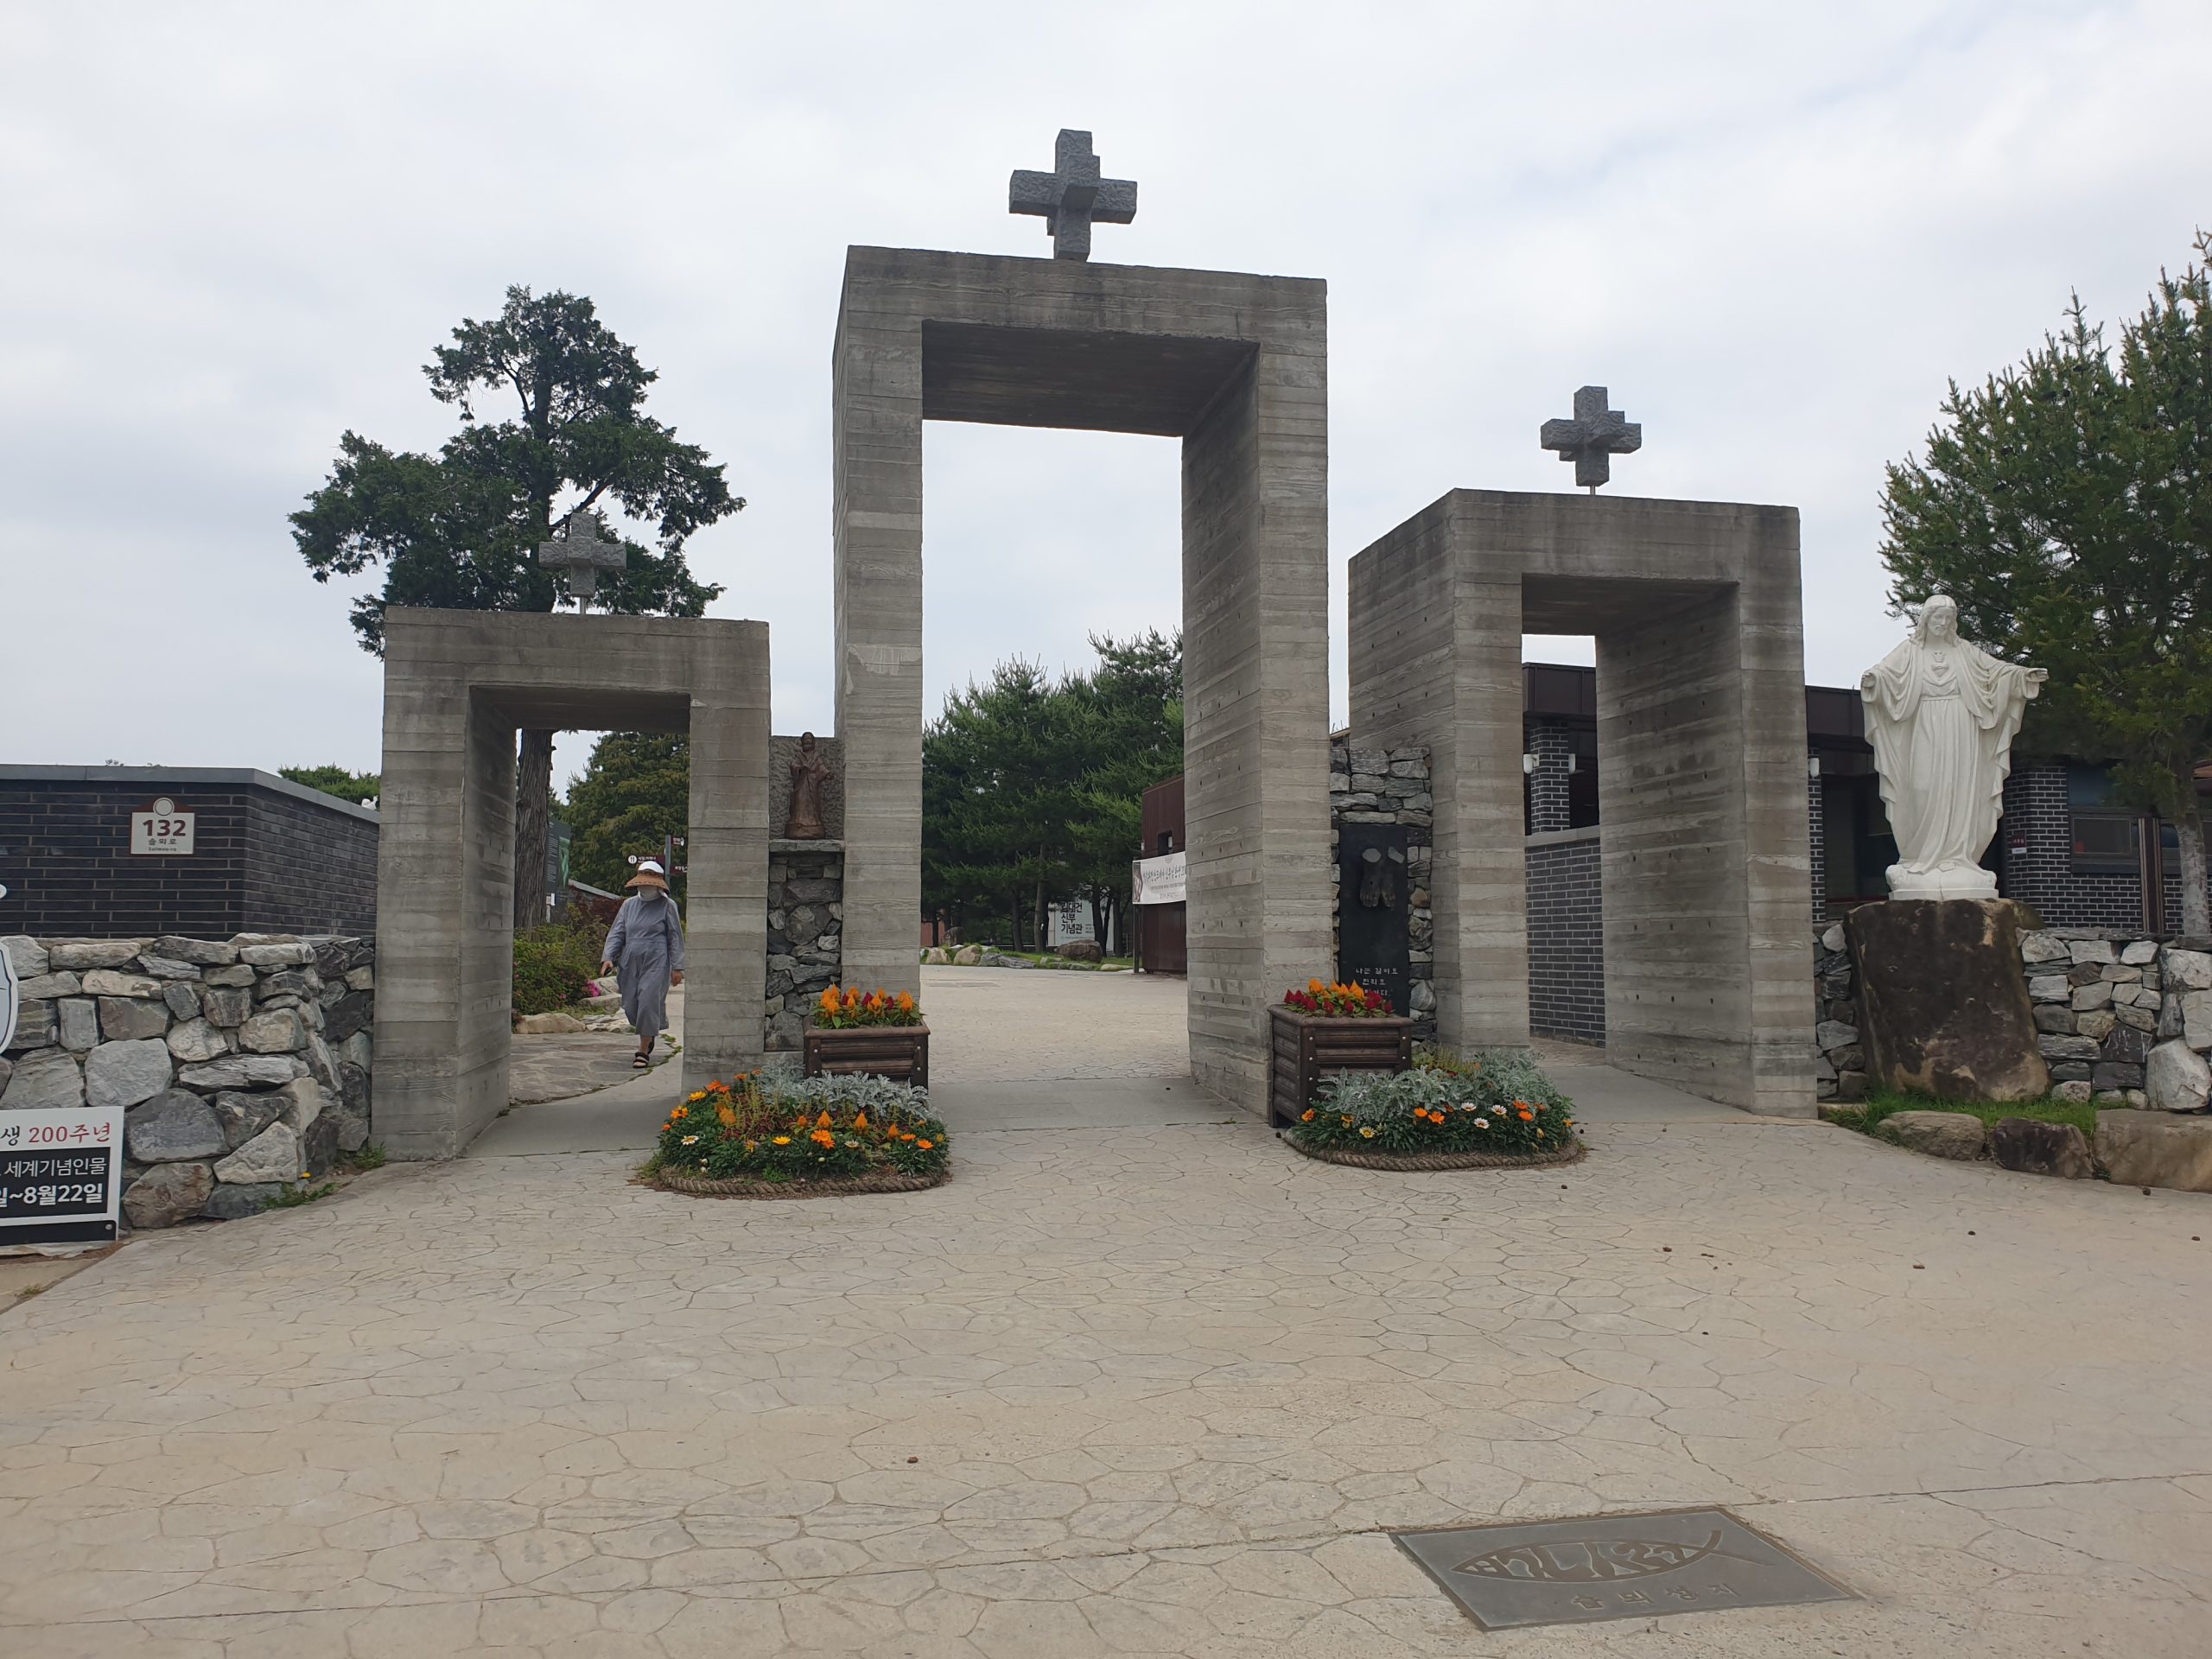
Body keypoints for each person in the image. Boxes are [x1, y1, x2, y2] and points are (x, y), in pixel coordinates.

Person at [1859, 593, 2045, 899]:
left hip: (1961, 727)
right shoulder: (1909, 651)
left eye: (1948, 618)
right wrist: (1873, 681)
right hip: (1925, 723)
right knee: (1922, 787)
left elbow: (1998, 671)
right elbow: (1884, 674)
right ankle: (1919, 858)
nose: (1943, 623)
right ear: (1926, 619)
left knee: (1959, 789)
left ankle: (1957, 857)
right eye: (1938, 617)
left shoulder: (1965, 651)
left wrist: (2023, 676)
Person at [600, 859, 684, 1067]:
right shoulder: (629, 905)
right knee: (631, 1004)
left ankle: (643, 1049)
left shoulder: (667, 906)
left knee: (648, 1000)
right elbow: (618, 932)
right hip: (630, 959)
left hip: (657, 959)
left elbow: (675, 936)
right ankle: (649, 1032)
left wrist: (678, 966)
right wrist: (609, 957)